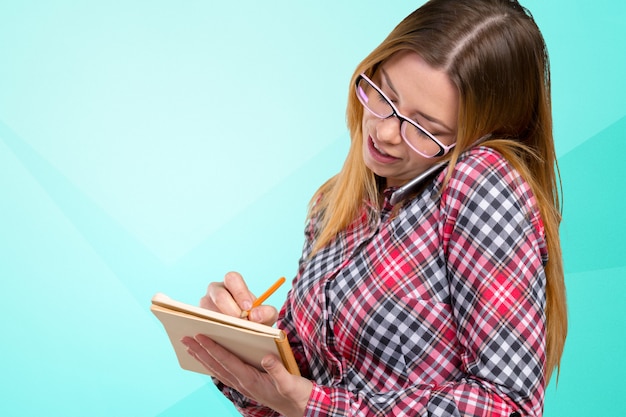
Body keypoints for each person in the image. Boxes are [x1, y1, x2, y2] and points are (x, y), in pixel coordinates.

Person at [180, 0, 568, 415]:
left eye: (424, 128)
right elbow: (289, 401)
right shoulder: (333, 204)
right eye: (384, 94)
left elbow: (508, 404)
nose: (383, 132)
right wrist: (242, 343)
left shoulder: (481, 181)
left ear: (477, 135)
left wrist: (316, 405)